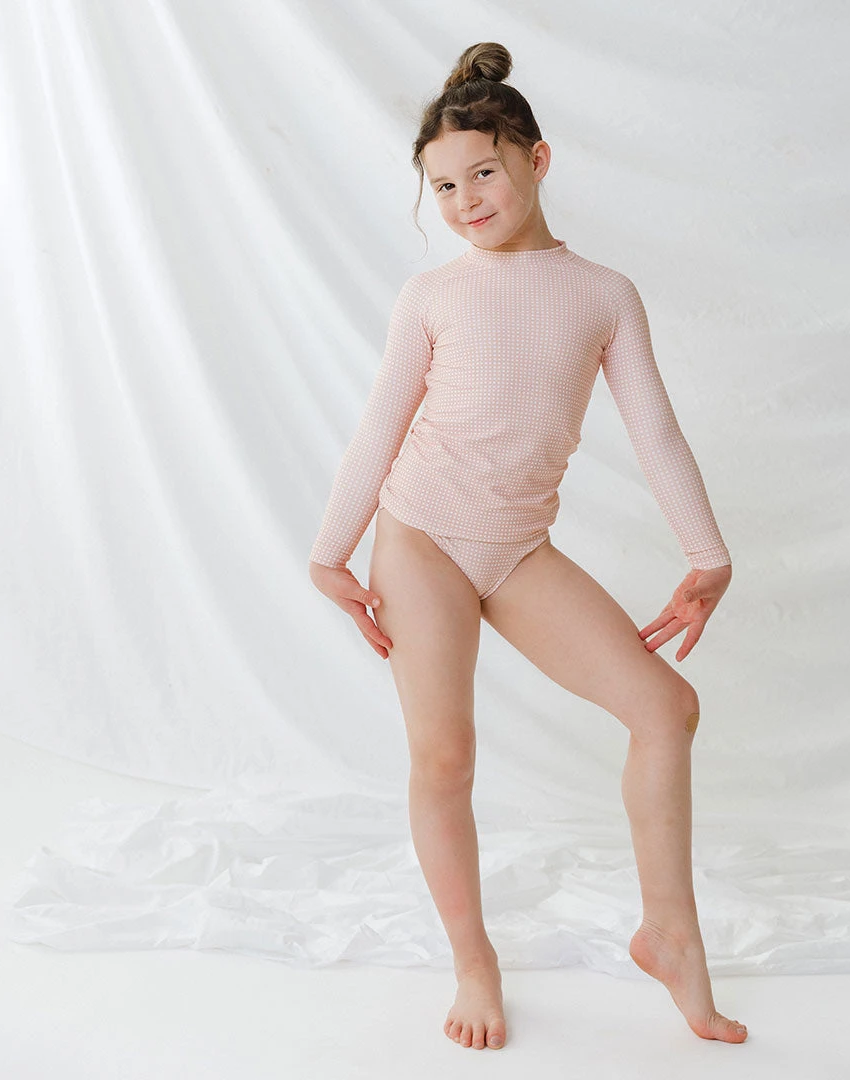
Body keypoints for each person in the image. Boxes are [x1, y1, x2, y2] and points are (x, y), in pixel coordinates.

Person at [308, 41, 747, 1051]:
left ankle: (670, 933)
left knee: (667, 709)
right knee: (445, 756)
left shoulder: (603, 293)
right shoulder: (432, 297)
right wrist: (331, 553)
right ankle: (474, 960)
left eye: (484, 173)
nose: (466, 201)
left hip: (515, 550)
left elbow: (655, 429)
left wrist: (708, 553)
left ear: (537, 161)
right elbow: (380, 427)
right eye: (444, 187)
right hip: (421, 538)